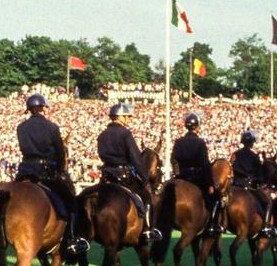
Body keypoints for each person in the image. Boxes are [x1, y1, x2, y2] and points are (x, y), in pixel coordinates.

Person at [16, 93, 87, 257]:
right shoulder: (52, 127)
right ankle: (72, 239)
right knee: (70, 201)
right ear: (42, 107)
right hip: (46, 172)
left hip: (25, 170)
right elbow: (60, 152)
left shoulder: (21, 127)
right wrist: (61, 170)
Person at [97, 101, 160, 242]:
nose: (128, 119)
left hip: (107, 175)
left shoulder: (102, 135)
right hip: (124, 176)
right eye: (127, 116)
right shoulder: (125, 134)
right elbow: (136, 158)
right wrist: (144, 179)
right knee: (147, 197)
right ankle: (148, 230)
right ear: (120, 117)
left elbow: (101, 154)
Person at [172, 113, 218, 233]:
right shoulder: (200, 142)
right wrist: (210, 184)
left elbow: (174, 160)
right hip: (197, 177)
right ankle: (212, 225)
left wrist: (178, 175)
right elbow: (205, 164)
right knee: (215, 198)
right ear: (197, 127)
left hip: (182, 176)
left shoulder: (178, 142)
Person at [231, 130, 275, 237]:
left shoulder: (235, 154)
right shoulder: (254, 156)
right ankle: (265, 227)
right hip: (249, 185)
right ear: (251, 143)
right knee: (268, 203)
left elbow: (232, 168)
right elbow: (259, 174)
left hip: (236, 184)